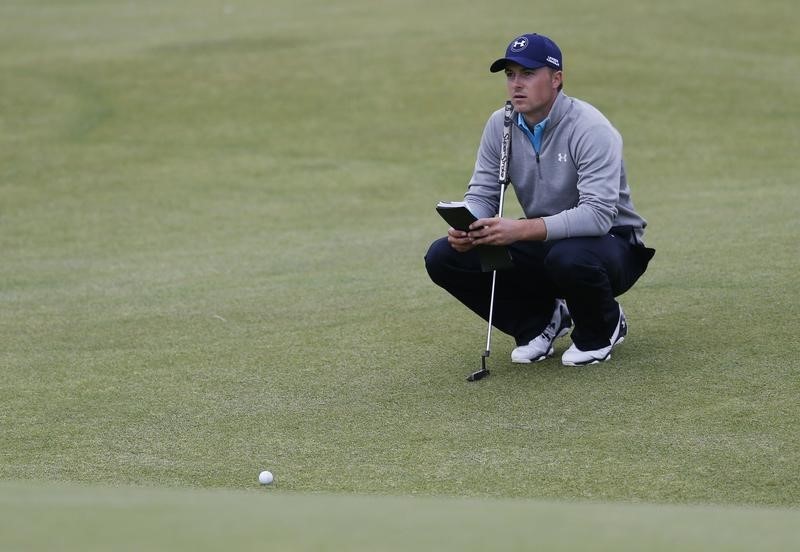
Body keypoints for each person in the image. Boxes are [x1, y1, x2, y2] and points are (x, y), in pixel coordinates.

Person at [425, 33, 655, 366]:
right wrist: (468, 224)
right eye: (510, 75)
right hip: (546, 243)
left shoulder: (590, 128)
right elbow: (483, 193)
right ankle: (539, 323)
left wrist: (518, 231)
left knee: (568, 256)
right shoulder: (501, 125)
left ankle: (602, 329)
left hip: (612, 246)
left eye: (528, 73)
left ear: (557, 79)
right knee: (443, 256)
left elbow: (598, 215)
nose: (516, 84)